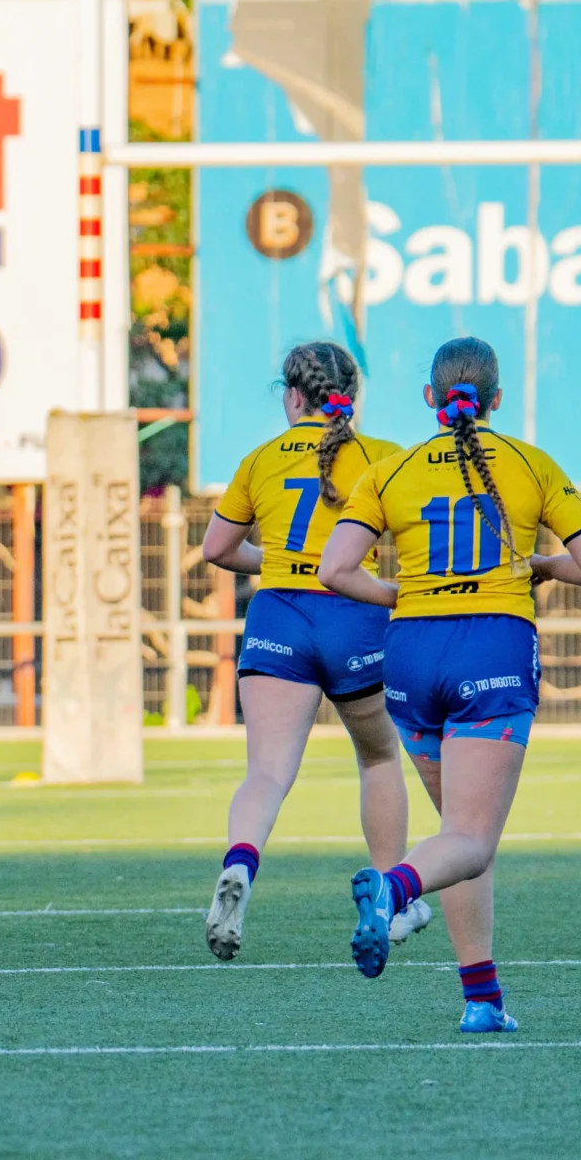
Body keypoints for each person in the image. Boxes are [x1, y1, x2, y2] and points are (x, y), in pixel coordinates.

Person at [317, 336, 581, 1031]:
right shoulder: (530, 462)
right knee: (471, 842)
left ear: (430, 396)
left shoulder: (391, 470)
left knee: (457, 838)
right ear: (496, 398)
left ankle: (483, 1000)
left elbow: (335, 569)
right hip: (491, 647)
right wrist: (541, 566)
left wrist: (400, 594)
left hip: (411, 655)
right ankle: (393, 889)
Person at [198, 341, 432, 961]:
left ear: (293, 396)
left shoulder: (259, 459)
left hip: (279, 615)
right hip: (355, 616)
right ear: (351, 396)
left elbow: (217, 549)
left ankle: (241, 863)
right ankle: (391, 900)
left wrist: (280, 561)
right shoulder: (383, 457)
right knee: (379, 756)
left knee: (266, 773)